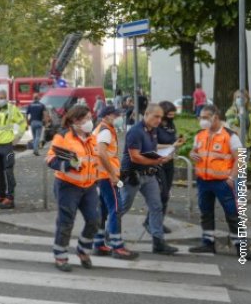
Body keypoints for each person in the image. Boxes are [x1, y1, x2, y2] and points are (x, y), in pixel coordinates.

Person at [188, 105, 248, 259]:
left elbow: (240, 158)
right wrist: (192, 154)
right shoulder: (200, 135)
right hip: (204, 182)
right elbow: (194, 152)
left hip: (223, 183)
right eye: (201, 117)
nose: (202, 120)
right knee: (206, 213)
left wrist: (232, 178)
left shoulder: (229, 136)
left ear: (215, 117)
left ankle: (242, 248)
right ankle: (208, 244)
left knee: (233, 214)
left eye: (205, 117)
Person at [46, 105, 100, 272]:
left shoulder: (92, 138)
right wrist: (70, 164)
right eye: (85, 120)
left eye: (90, 118)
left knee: (94, 220)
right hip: (68, 187)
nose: (89, 122)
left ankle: (83, 250)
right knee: (66, 222)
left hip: (89, 186)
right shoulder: (63, 137)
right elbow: (50, 160)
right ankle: (60, 256)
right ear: (75, 121)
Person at [119, 104, 178, 255]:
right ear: (146, 114)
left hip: (148, 175)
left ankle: (158, 242)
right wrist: (158, 161)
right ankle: (107, 234)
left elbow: (152, 147)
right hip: (132, 175)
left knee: (156, 205)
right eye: (156, 116)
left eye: (160, 117)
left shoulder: (152, 130)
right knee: (123, 206)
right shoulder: (135, 132)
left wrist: (169, 148)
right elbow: (135, 156)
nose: (159, 120)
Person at [92, 106, 138, 260]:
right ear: (106, 116)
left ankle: (98, 243)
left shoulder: (100, 129)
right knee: (115, 209)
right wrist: (113, 175)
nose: (119, 117)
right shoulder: (105, 131)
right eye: (115, 115)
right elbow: (101, 152)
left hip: (99, 175)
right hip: (107, 176)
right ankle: (117, 246)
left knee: (104, 210)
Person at [0, 90, 27, 209]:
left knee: (8, 172)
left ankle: (10, 198)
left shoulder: (11, 109)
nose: (2, 100)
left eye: (4, 98)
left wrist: (17, 138)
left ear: (7, 99)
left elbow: (23, 123)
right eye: (0, 97)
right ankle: (2, 195)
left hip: (7, 145)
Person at [150, 101, 185, 233]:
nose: (171, 117)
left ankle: (158, 222)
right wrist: (171, 146)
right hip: (157, 162)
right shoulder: (156, 126)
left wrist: (176, 144)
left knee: (166, 195)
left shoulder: (171, 126)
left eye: (173, 115)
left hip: (169, 162)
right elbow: (153, 144)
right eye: (169, 114)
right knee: (162, 194)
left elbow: (172, 141)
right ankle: (152, 221)